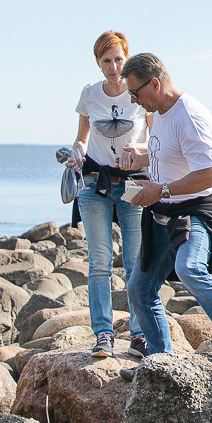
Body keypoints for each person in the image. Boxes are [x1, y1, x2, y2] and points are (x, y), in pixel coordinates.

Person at [120, 53, 212, 369]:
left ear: (154, 84)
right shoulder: (156, 113)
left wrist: (161, 189)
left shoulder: (191, 116)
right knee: (139, 290)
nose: (133, 99)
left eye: (135, 92)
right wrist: (141, 160)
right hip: (164, 211)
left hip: (198, 210)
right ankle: (160, 362)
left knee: (190, 268)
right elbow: (168, 156)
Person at [68, 30, 152, 358]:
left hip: (133, 185)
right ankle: (103, 334)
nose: (114, 67)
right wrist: (75, 152)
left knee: (134, 262)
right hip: (94, 184)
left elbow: (155, 143)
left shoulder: (139, 94)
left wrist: (139, 148)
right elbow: (81, 139)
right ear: (98, 63)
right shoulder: (90, 94)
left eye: (119, 59)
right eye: (107, 61)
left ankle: (139, 333)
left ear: (126, 58)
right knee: (99, 263)